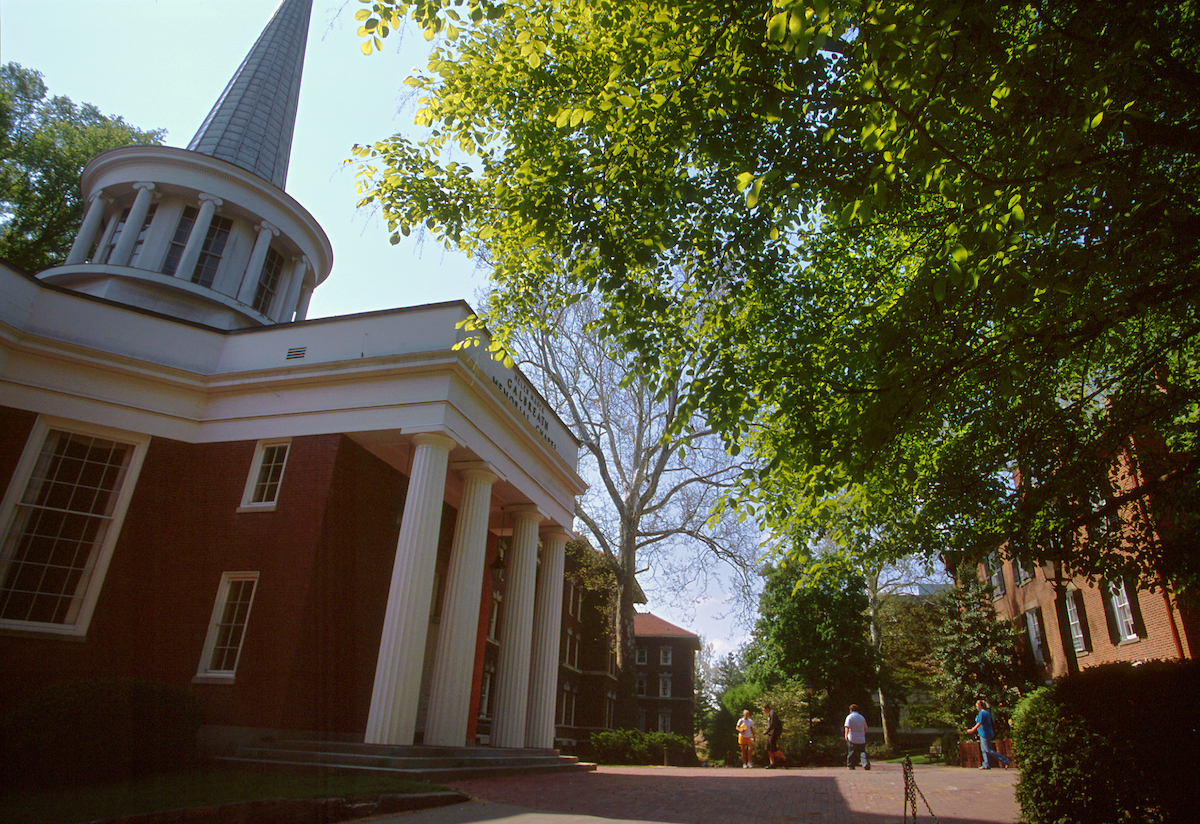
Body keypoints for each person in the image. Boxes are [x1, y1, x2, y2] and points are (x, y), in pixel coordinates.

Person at [966, 700, 1010, 770]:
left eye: (977, 706)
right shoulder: (987, 713)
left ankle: (1005, 760)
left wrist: (972, 730)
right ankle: (986, 764)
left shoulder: (982, 713)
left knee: (988, 749)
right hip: (986, 732)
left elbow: (979, 723)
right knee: (984, 749)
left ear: (980, 706)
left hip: (985, 733)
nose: (976, 707)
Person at [762, 702, 788, 769]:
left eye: (764, 710)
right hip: (770, 733)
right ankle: (772, 763)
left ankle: (785, 759)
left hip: (774, 732)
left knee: (773, 748)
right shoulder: (770, 714)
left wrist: (766, 731)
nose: (764, 711)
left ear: (767, 708)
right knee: (768, 748)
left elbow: (773, 724)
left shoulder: (772, 713)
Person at [844, 704, 870, 770]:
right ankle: (865, 763)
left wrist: (846, 735)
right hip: (861, 738)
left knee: (852, 752)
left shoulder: (849, 717)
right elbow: (865, 728)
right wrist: (863, 734)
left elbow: (847, 727)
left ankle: (851, 765)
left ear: (851, 710)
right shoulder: (861, 717)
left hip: (852, 737)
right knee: (862, 752)